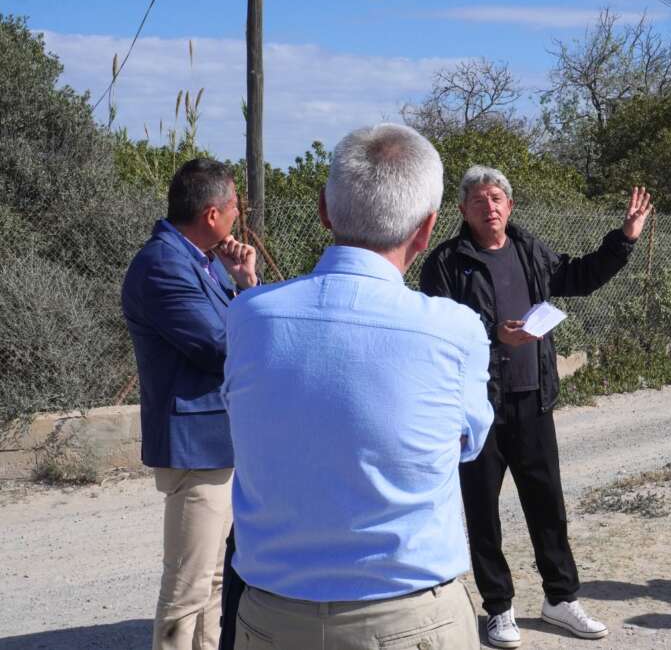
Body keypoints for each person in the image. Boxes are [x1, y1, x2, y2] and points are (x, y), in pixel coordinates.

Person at [221, 123, 492, 649]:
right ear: (427, 228)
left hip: (271, 617)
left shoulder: (249, 315)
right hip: (410, 617)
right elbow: (465, 444)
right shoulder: (455, 330)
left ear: (324, 209)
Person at [420, 165, 652, 648]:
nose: (489, 207)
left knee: (548, 506)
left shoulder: (528, 249)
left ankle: (560, 599)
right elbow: (435, 332)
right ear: (463, 210)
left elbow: (578, 277)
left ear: (510, 206)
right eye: (479, 200)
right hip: (477, 408)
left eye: (496, 198)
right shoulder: (445, 262)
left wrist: (625, 239)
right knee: (483, 513)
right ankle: (498, 608)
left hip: (533, 399)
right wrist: (493, 336)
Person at [122, 159, 257, 650]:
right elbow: (220, 346)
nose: (239, 215)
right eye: (235, 206)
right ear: (211, 214)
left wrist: (244, 282)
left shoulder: (201, 260)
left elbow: (232, 331)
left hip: (217, 441)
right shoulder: (163, 265)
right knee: (187, 587)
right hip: (195, 446)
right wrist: (253, 311)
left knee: (213, 580)